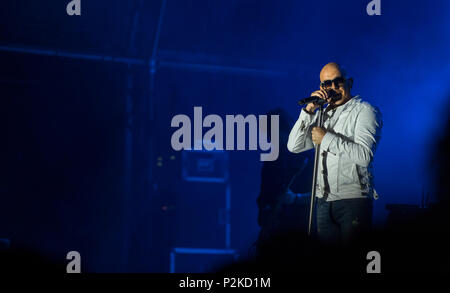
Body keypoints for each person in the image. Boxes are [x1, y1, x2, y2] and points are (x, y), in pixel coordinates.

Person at [287, 62, 382, 247]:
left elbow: (365, 155)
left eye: (338, 82)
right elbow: (293, 146)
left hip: (353, 199)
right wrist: (308, 112)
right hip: (323, 201)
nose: (332, 88)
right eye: (326, 84)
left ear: (350, 83)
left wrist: (327, 138)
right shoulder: (321, 114)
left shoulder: (365, 111)